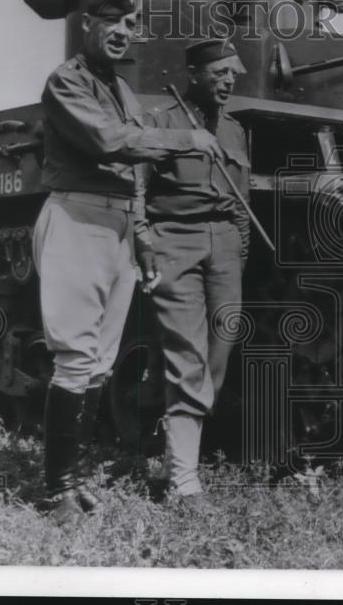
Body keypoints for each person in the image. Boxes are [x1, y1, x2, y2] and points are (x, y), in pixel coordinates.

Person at [33, 0, 222, 526]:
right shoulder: (67, 82)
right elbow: (111, 142)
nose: (122, 32)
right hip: (77, 216)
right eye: (110, 21)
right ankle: (58, 490)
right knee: (75, 355)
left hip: (116, 221)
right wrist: (187, 140)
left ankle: (78, 478)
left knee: (100, 363)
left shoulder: (119, 86)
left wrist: (140, 232)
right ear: (86, 24)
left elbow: (135, 167)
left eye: (130, 24)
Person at [136, 38, 251, 505]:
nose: (228, 81)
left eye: (233, 75)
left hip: (223, 245)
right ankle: (184, 481)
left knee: (218, 354)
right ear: (194, 74)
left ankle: (181, 448)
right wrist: (144, 240)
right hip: (175, 241)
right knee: (188, 353)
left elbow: (244, 199)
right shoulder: (162, 123)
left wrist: (237, 246)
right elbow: (137, 189)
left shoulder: (236, 131)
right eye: (220, 73)